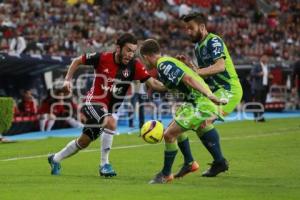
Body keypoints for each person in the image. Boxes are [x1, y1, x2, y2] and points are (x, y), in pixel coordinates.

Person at [47, 33, 166, 177]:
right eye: (128, 50)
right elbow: (77, 61)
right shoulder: (102, 58)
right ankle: (104, 165)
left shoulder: (134, 66)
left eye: (133, 51)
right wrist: (67, 79)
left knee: (84, 141)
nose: (130, 54)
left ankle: (55, 159)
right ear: (118, 48)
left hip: (108, 109)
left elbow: (153, 83)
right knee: (110, 122)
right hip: (93, 102)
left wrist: (172, 86)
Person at [140, 39, 227, 184]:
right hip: (193, 102)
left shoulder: (163, 65)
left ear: (146, 56)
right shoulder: (165, 63)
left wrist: (209, 95)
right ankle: (191, 163)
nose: (143, 63)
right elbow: (164, 87)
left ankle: (166, 174)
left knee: (169, 135)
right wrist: (146, 79)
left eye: (143, 60)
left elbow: (188, 79)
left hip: (201, 102)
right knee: (176, 128)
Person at [176, 12, 243, 177]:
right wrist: (190, 66)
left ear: (202, 27)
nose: (188, 32)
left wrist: (195, 72)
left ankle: (210, 162)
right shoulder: (198, 47)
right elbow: (203, 73)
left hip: (229, 90)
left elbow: (220, 66)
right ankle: (219, 162)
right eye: (186, 29)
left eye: (191, 28)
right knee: (198, 123)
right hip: (214, 91)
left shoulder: (213, 40)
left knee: (203, 121)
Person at [250, 54, 273, 122]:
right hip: (257, 87)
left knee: (263, 102)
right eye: (265, 57)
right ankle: (256, 116)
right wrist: (259, 74)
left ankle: (261, 116)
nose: (266, 59)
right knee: (257, 102)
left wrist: (270, 77)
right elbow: (252, 74)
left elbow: (268, 75)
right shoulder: (257, 65)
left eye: (267, 58)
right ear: (261, 58)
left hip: (265, 86)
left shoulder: (268, 67)